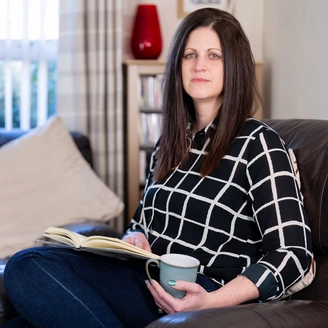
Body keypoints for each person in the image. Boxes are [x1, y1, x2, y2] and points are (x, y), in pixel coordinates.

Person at [3, 7, 313, 328]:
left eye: (214, 55)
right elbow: (140, 224)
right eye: (189, 54)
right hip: (145, 278)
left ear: (235, 66)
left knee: (27, 266)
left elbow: (293, 254)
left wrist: (210, 301)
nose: (199, 65)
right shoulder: (170, 142)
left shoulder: (259, 142)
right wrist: (135, 236)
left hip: (204, 293)